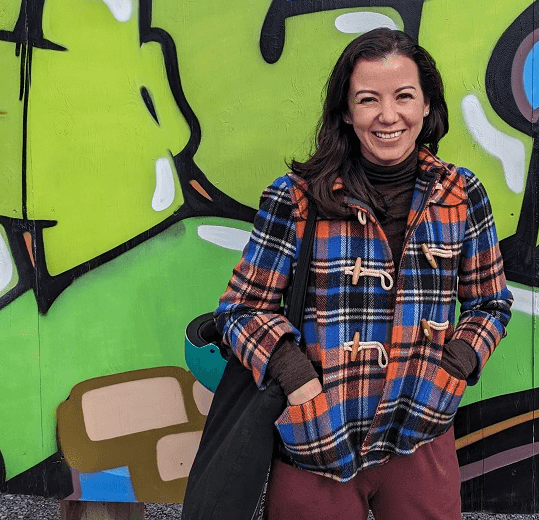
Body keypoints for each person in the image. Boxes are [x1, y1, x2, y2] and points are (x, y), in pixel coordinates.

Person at [214, 28, 513, 520]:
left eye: (403, 97)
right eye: (368, 99)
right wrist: (297, 380)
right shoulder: (296, 198)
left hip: (420, 431)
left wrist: (454, 367)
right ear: (346, 112)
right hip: (316, 439)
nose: (388, 115)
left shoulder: (461, 194)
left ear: (426, 107)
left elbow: (490, 303)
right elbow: (241, 309)